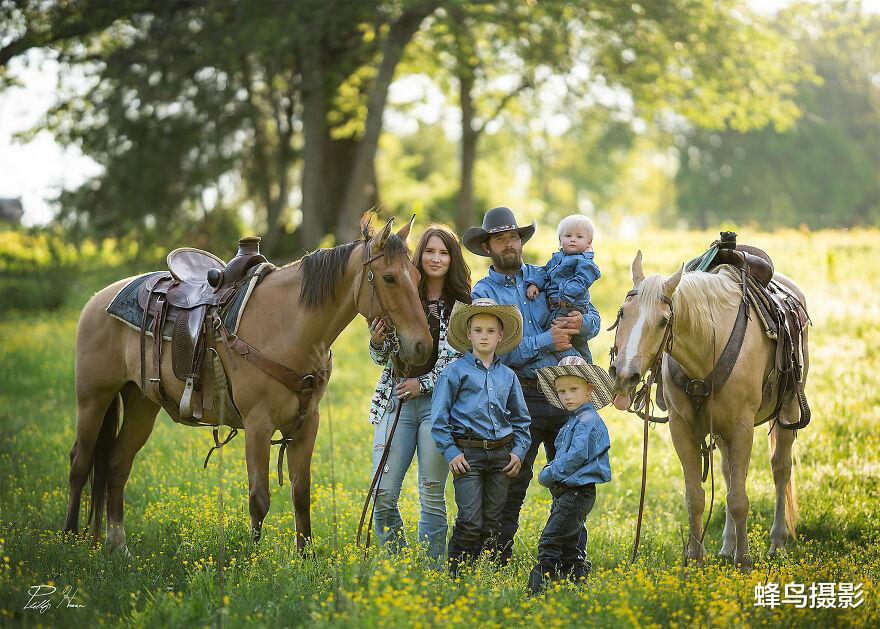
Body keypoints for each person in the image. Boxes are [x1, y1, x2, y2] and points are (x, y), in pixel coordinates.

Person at [462, 205, 601, 565]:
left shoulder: (547, 274)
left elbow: (595, 318)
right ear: (488, 247)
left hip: (564, 390)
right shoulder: (485, 292)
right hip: (518, 394)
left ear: (520, 241)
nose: (508, 244)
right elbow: (493, 349)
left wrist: (580, 322)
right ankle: (496, 555)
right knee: (511, 479)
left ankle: (570, 559)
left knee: (572, 476)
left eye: (513, 237)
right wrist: (546, 342)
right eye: (499, 239)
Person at [367, 224, 472, 559]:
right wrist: (376, 342)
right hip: (396, 402)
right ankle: (397, 562)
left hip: (438, 410)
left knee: (431, 493)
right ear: (419, 255)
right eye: (429, 251)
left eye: (443, 252)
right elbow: (381, 359)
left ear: (452, 258)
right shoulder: (400, 292)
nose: (436, 258)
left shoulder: (461, 304)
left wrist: (423, 384)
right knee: (382, 492)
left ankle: (430, 569)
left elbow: (457, 361)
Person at [431, 298, 531, 573]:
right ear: (468, 334)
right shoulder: (454, 372)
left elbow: (522, 421)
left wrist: (518, 452)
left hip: (501, 455)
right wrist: (452, 452)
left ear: (500, 336)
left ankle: (478, 573)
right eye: (478, 330)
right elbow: (439, 420)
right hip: (468, 455)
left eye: (490, 331)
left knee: (491, 522)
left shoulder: (508, 376)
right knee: (470, 520)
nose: (484, 336)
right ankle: (455, 573)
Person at [527, 356, 614, 594]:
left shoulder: (586, 421)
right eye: (562, 391)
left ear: (589, 390)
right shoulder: (574, 420)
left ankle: (539, 588)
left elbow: (573, 458)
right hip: (570, 492)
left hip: (577, 492)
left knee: (551, 539)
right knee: (571, 539)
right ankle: (576, 581)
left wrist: (548, 474)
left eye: (574, 389)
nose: (567, 396)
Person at [525, 214, 601, 358]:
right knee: (560, 337)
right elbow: (544, 272)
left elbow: (581, 281)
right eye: (568, 235)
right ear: (560, 240)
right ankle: (579, 365)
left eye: (579, 237)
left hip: (570, 305)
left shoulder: (585, 263)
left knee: (563, 335)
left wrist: (565, 294)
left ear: (588, 243)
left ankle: (582, 365)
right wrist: (534, 284)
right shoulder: (556, 259)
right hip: (555, 306)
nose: (573, 239)